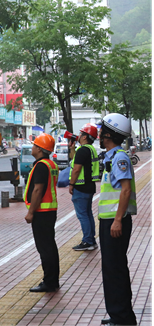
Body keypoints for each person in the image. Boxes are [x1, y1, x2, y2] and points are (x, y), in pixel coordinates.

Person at [98, 113, 137, 326]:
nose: (99, 134)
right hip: (110, 220)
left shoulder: (119, 158)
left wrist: (118, 220)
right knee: (113, 268)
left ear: (109, 135)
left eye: (102, 131)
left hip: (115, 221)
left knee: (115, 269)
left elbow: (126, 190)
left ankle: (121, 317)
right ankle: (119, 315)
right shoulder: (111, 157)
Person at [24, 133, 60, 292]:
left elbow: (37, 190)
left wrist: (31, 212)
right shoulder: (51, 164)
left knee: (45, 248)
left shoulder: (41, 166)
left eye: (34, 145)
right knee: (50, 246)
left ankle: (49, 282)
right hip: (49, 210)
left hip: (41, 212)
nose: (32, 147)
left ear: (40, 149)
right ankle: (53, 280)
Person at [68, 124, 101, 251]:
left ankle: (88, 241)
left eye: (81, 133)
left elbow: (76, 169)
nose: (79, 135)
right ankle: (91, 240)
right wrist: (72, 149)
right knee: (87, 214)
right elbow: (75, 161)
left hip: (81, 187)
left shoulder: (83, 150)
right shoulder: (90, 149)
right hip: (89, 186)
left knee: (82, 215)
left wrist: (71, 184)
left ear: (85, 136)